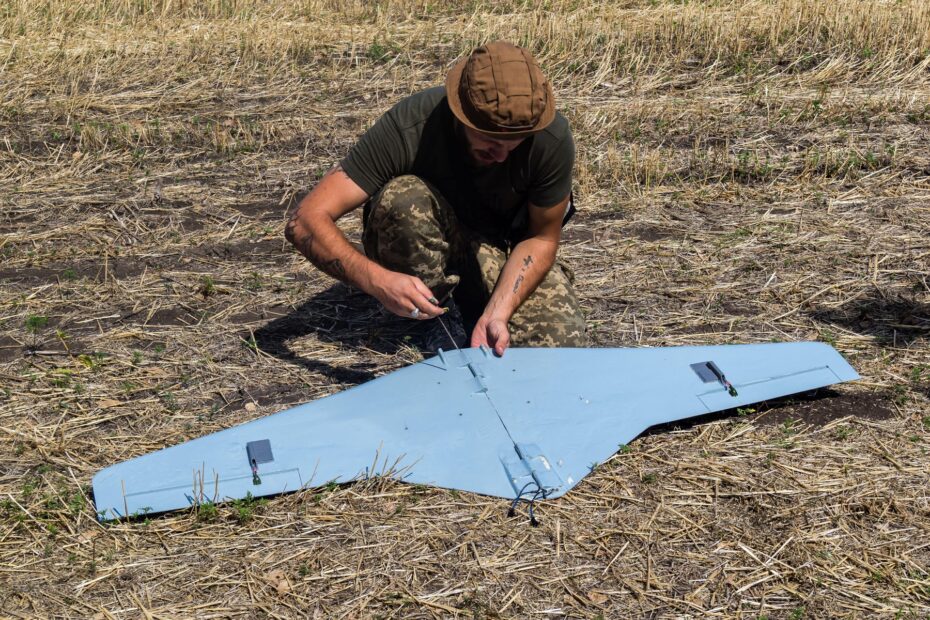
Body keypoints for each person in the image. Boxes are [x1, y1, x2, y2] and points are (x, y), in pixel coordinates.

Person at [285, 40, 585, 356]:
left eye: (514, 144)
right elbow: (305, 220)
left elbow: (541, 238)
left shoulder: (550, 138)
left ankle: (476, 308)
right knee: (404, 198)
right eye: (489, 141)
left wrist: (498, 312)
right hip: (423, 247)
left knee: (560, 342)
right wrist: (378, 281)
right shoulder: (411, 125)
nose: (501, 156)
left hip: (500, 253)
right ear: (460, 114)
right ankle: (433, 316)